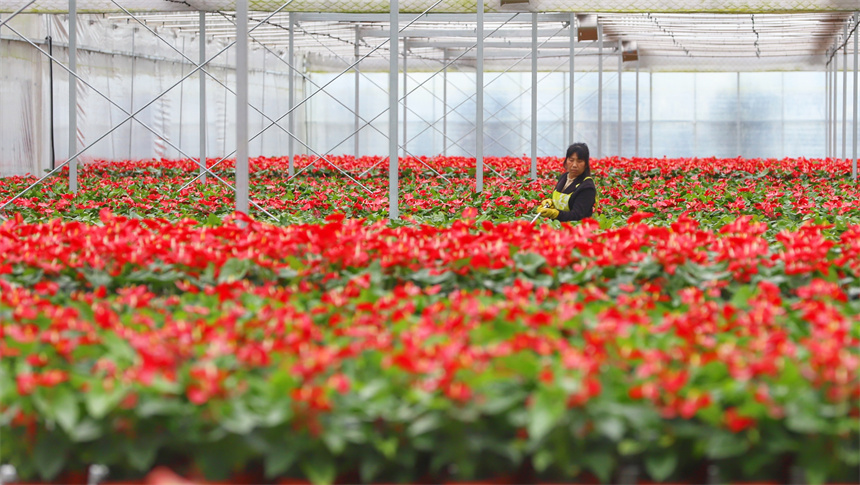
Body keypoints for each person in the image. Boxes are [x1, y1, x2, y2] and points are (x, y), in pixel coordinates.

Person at [535, 142, 596, 222]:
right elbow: (561, 201)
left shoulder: (587, 187)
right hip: (556, 226)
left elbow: (577, 215)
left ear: (586, 164)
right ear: (566, 160)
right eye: (571, 160)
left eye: (579, 161)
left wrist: (556, 214)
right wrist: (551, 203)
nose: (574, 165)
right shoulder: (564, 177)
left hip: (575, 228)